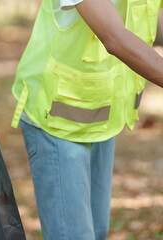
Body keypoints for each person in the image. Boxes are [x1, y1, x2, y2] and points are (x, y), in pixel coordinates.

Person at [11, 0, 163, 239]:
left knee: (96, 231)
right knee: (75, 235)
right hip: (56, 117)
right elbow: (114, 37)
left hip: (99, 114)